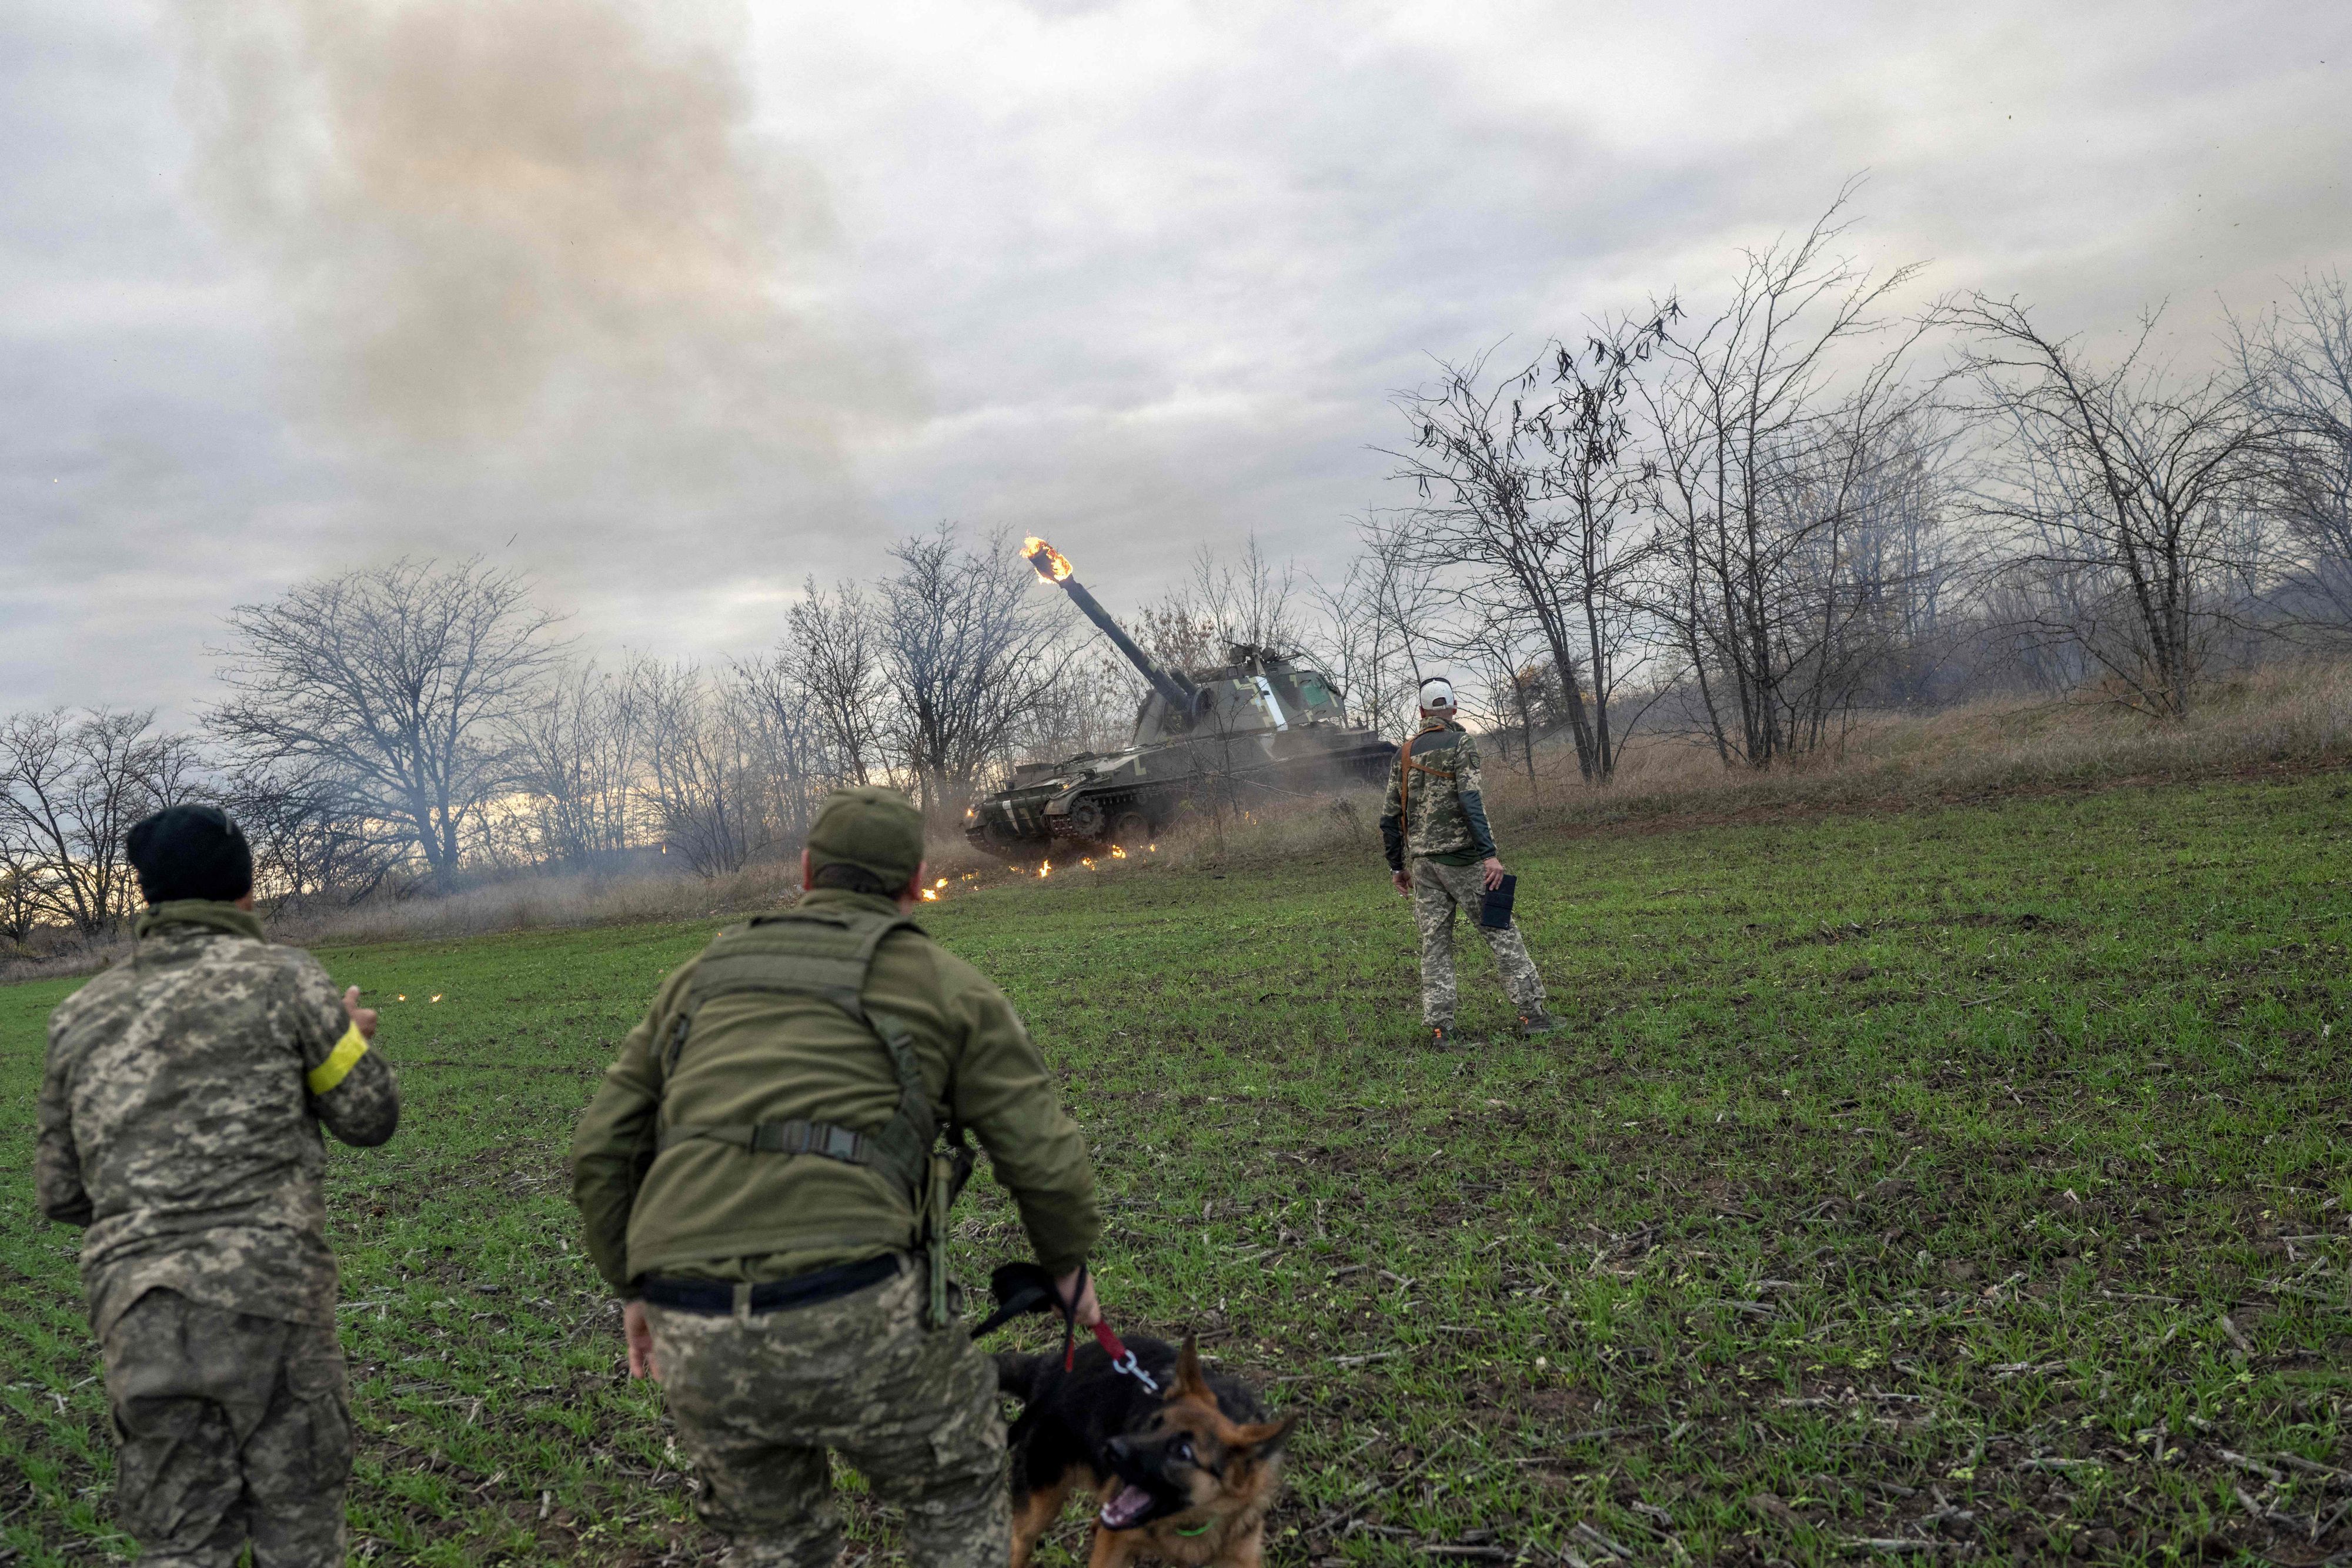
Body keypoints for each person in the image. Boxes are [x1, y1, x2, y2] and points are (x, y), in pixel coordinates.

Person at [571, 784, 1104, 1568]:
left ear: (806, 870)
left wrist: (635, 1286)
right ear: (917, 881)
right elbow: (1043, 1154)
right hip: (856, 1305)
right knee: (958, 1497)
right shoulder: (947, 984)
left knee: (774, 1543)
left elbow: (599, 1149)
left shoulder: (699, 977)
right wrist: (1067, 1269)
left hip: (693, 1321)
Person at [35, 804, 400, 1567]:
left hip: (141, 1315)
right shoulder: (286, 978)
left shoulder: (77, 1015)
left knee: (179, 1545)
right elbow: (368, 1117)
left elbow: (64, 1192)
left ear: (150, 896)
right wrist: (348, 1046)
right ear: (245, 891)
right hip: (273, 1304)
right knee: (298, 1535)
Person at [1379, 677, 1560, 1045]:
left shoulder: (1404, 753)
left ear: (1421, 712)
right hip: (1463, 860)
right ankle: (1535, 1016)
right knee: (1502, 931)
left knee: (1435, 946)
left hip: (1424, 865)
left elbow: (1389, 816)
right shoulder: (1463, 742)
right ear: (1454, 709)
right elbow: (1471, 801)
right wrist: (1489, 855)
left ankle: (1440, 1028)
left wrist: (1397, 867)